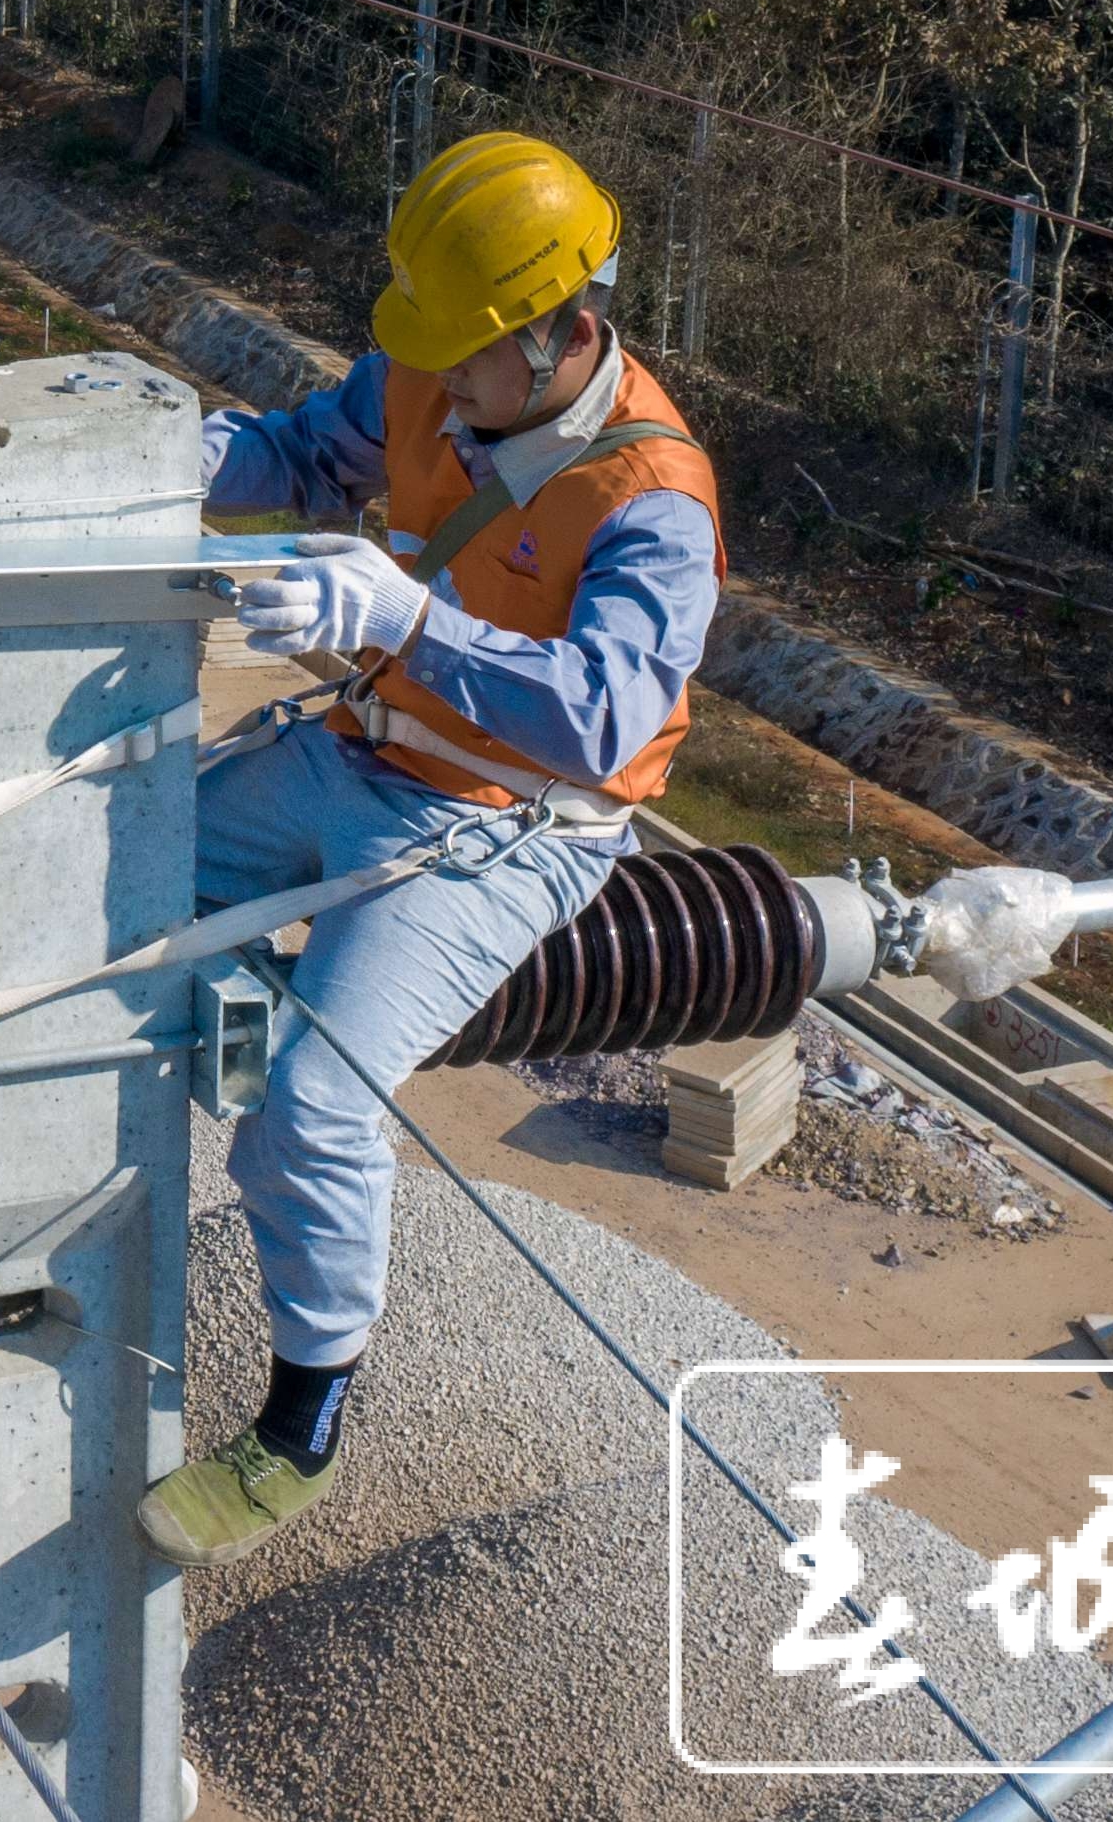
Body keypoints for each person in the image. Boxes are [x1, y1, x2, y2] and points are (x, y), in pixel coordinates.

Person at [137, 133, 721, 1568]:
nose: (441, 397)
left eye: (470, 366)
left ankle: (303, 1419)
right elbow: (295, 451)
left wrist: (401, 622)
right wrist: (153, 460)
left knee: (315, 1106)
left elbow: (598, 716)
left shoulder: (653, 500)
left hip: (506, 826)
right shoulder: (431, 366)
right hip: (363, 753)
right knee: (109, 877)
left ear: (569, 331)